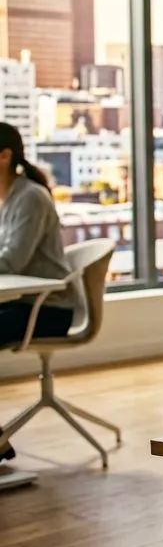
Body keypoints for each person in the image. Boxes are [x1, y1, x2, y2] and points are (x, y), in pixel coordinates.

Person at [0, 122, 77, 463]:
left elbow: (12, 261)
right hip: (23, 302)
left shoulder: (29, 197)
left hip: (48, 309)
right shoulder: (6, 198)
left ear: (4, 156)